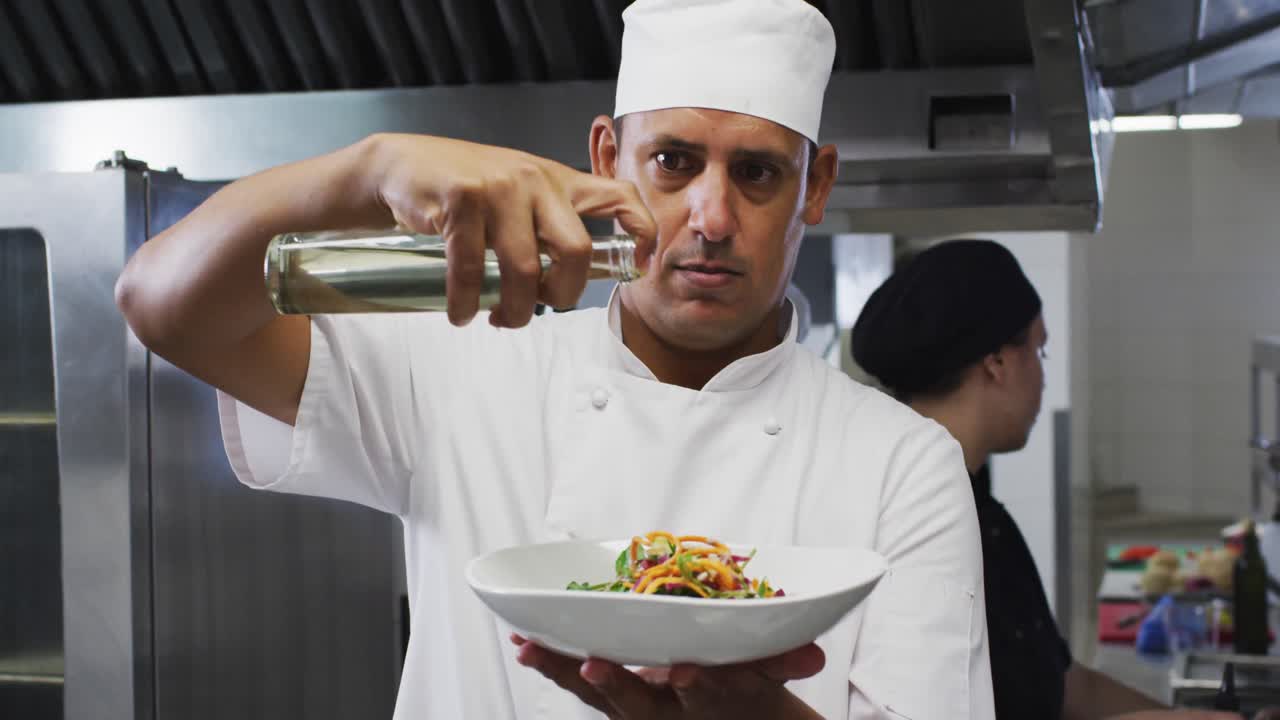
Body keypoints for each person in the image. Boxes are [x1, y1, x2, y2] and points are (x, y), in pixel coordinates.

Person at [115, 1, 994, 718]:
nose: (712, 217)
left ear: (817, 185)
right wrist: (371, 167)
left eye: (758, 174)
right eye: (674, 162)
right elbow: (162, 303)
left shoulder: (901, 464)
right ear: (610, 159)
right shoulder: (464, 366)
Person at [850, 239, 1243, 720]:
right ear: (997, 362)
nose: (1043, 375)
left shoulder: (985, 518)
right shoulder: (910, 533)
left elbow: (1057, 684)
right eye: (1040, 349)